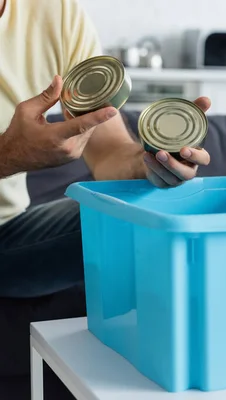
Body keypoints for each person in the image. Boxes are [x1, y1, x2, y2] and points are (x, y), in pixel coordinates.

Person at [0, 0, 211, 297]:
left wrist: (151, 163)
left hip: (9, 230)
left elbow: (109, 152)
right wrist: (8, 156)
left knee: (158, 210)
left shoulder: (58, 12)